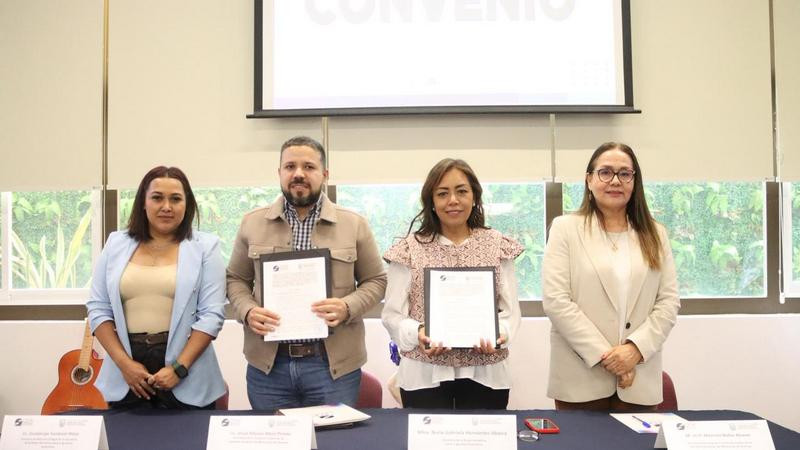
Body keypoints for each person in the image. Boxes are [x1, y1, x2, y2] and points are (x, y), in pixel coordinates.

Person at [226, 136, 387, 411]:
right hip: (269, 367)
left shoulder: (354, 224)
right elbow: (236, 280)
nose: (298, 173)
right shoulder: (252, 223)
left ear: (324, 174)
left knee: (331, 442)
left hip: (332, 367)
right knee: (273, 441)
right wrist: (248, 311)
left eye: (309, 167)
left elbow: (377, 280)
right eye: (290, 166)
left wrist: (348, 306)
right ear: (279, 173)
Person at [542, 142, 680, 411]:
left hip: (638, 379)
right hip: (580, 378)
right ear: (589, 180)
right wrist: (609, 358)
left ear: (634, 181)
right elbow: (556, 301)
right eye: (605, 172)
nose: (615, 181)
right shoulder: (566, 229)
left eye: (625, 173)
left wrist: (634, 351)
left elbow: (668, 302)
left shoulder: (655, 233)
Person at [382, 158, 523, 409]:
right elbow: (392, 315)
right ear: (432, 201)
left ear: (474, 197)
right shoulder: (408, 249)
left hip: (485, 372)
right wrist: (418, 334)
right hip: (424, 373)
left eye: (461, 191)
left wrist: (499, 335)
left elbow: (511, 312)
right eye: (443, 193)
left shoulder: (497, 244)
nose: (453, 201)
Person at [86, 166, 226, 409]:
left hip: (188, 371)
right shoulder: (116, 243)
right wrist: (124, 365)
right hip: (127, 372)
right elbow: (98, 308)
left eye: (176, 199)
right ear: (143, 202)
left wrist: (178, 369)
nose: (166, 207)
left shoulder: (206, 247)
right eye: (157, 197)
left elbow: (211, 316)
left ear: (187, 204)